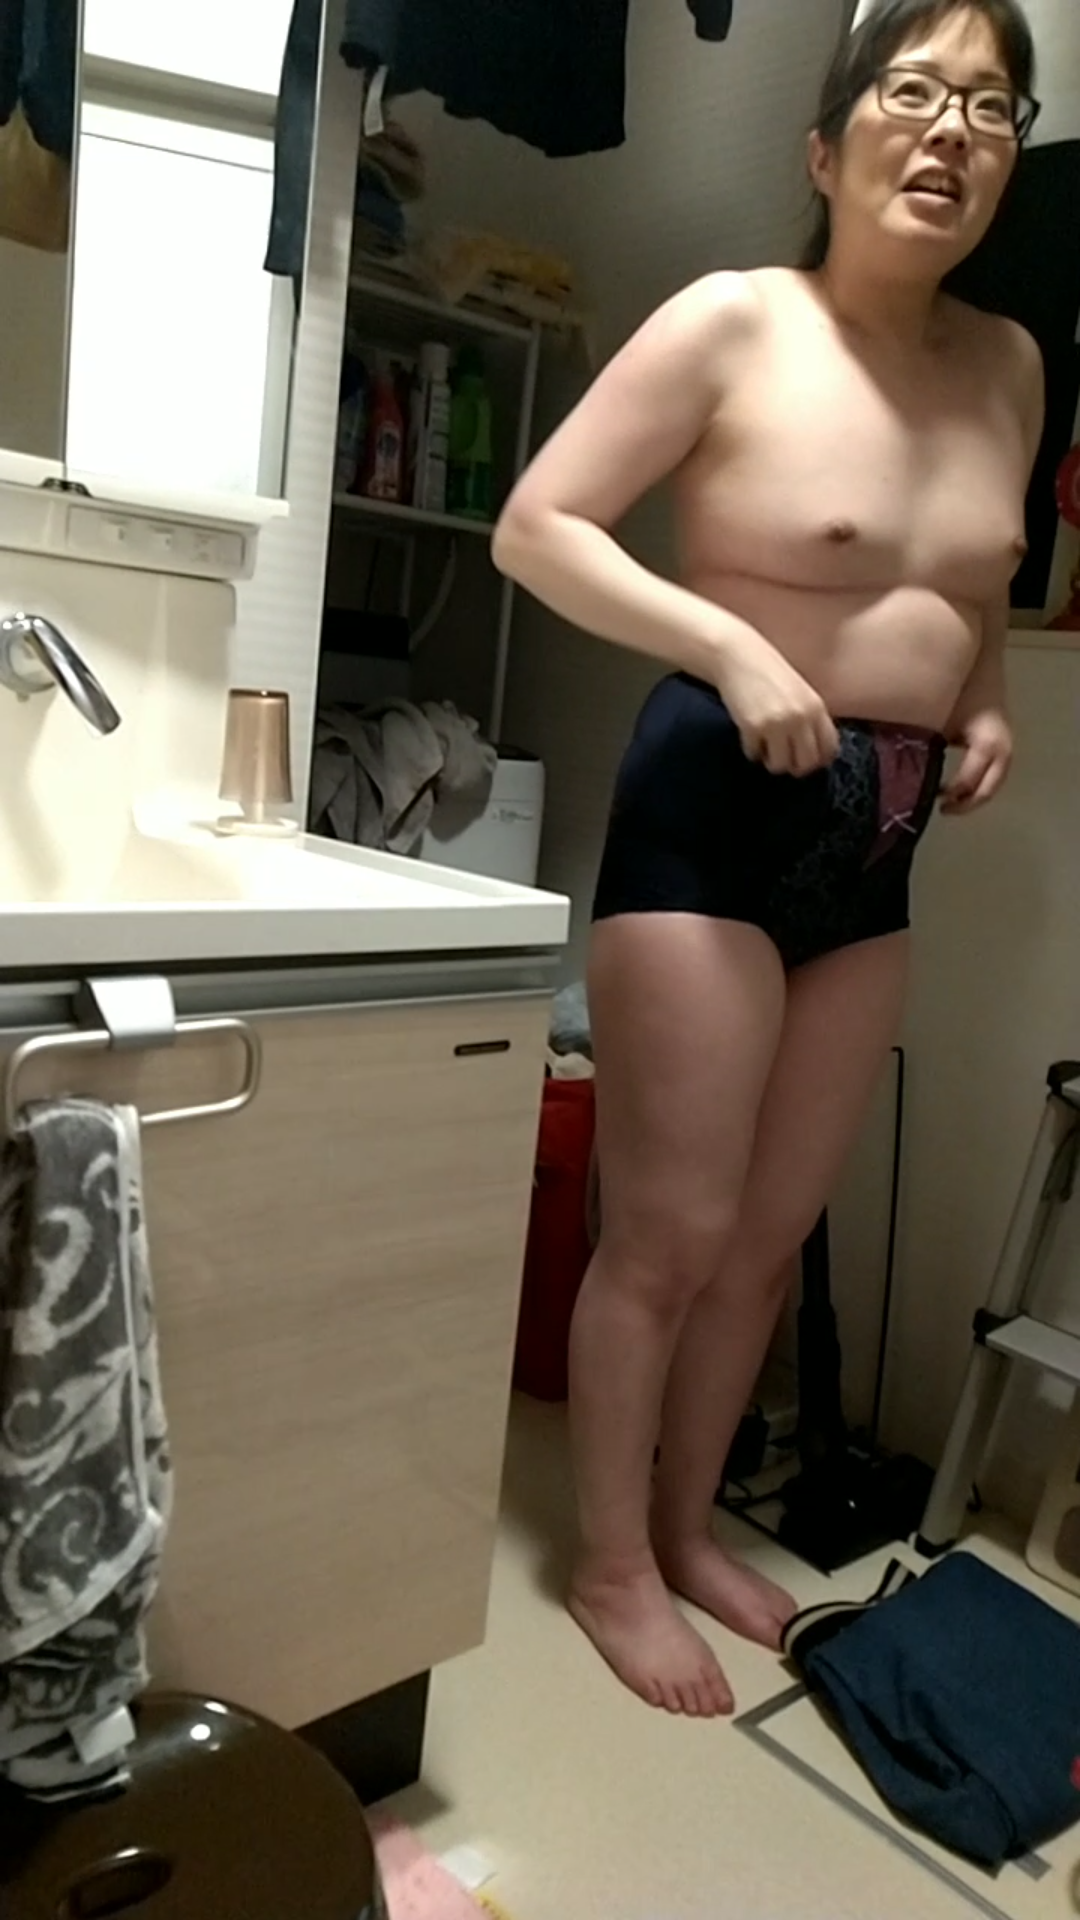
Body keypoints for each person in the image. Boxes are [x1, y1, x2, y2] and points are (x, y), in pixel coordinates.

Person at [492, 0, 1045, 1718]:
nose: (952, 131)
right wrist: (727, 644)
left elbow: (973, 590)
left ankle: (684, 1528)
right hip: (717, 804)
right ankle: (606, 1563)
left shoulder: (1012, 365)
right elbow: (537, 528)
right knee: (667, 1230)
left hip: (882, 836)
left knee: (768, 1235)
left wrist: (986, 700)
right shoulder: (734, 322)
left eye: (993, 108)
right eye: (916, 91)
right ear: (827, 146)